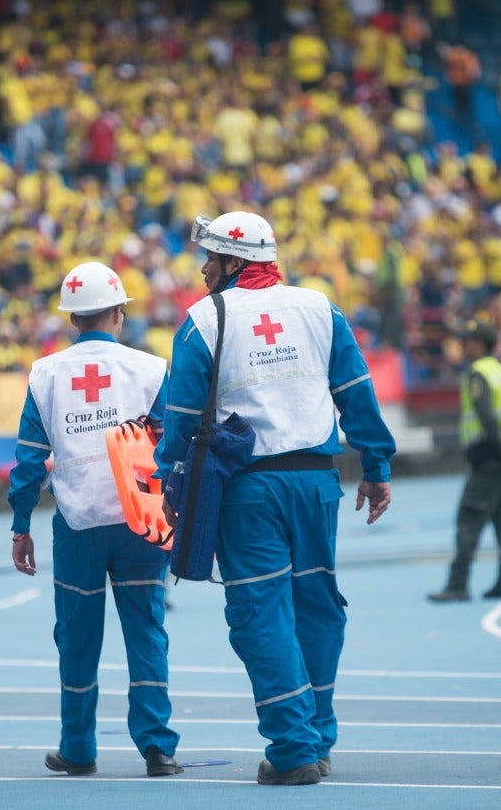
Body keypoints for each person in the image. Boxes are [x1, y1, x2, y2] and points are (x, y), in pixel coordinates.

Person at [153, 212, 396, 786]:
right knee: (318, 608)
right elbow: (355, 391)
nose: (204, 269)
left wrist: (170, 482)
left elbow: (181, 417)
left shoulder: (203, 319)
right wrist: (376, 466)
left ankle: (292, 749)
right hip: (318, 485)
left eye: (210, 259)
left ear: (234, 261)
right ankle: (318, 737)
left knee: (259, 614)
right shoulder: (320, 308)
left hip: (248, 491)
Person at [7, 261, 182, 779]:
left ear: (71, 319)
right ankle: (158, 749)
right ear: (119, 313)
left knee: (77, 637)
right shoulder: (150, 369)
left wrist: (21, 524)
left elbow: (28, 459)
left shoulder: (45, 374)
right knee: (146, 630)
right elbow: (172, 449)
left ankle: (78, 749)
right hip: (140, 521)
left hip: (77, 524)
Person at [429, 321, 501, 602]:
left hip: (488, 457)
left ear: (479, 343)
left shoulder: (479, 373)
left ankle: (457, 584)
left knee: (469, 517)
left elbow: (486, 416)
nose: (465, 345)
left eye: (469, 340)